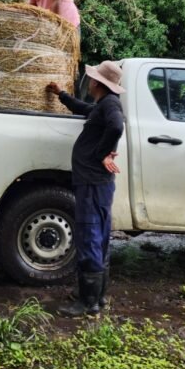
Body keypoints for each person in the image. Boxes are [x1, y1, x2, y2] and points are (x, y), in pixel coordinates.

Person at [47, 60, 125, 317]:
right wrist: (61, 95)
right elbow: (83, 108)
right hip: (96, 184)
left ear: (96, 83)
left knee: (90, 236)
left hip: (92, 183)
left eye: (91, 78)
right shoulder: (103, 105)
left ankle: (87, 303)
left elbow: (116, 126)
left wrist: (101, 154)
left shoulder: (110, 105)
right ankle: (98, 298)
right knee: (98, 237)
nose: (89, 81)